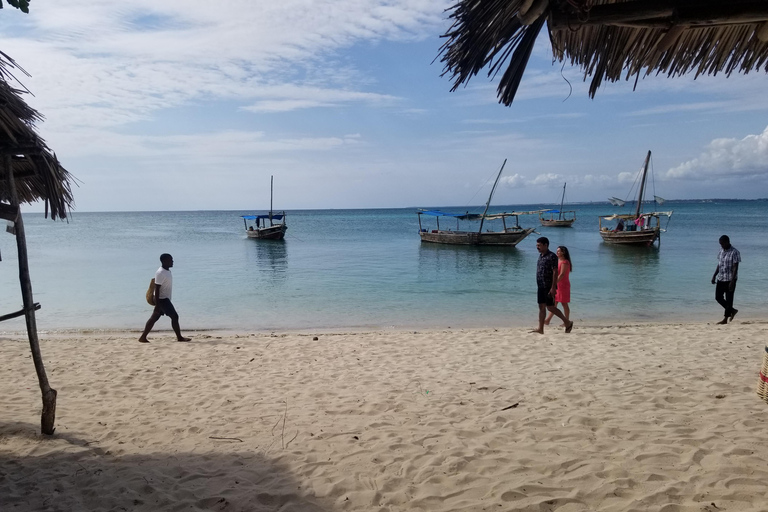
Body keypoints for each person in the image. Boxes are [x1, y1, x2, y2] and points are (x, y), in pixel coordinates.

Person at [139, 253, 191, 343]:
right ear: (164, 261)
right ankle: (179, 337)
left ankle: (143, 337)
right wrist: (158, 305)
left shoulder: (167, 271)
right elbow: (157, 288)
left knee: (154, 318)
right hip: (162, 299)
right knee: (174, 316)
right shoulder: (160, 273)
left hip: (163, 299)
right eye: (170, 260)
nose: (172, 261)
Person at [532, 237, 573, 334]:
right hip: (540, 286)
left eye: (539, 245)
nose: (537, 247)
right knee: (541, 306)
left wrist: (553, 287)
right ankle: (540, 329)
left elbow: (555, 272)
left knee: (550, 307)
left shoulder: (552, 256)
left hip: (548, 286)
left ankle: (567, 322)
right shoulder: (541, 256)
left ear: (545, 245)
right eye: (537, 245)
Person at [711, 235, 740, 325]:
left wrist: (732, 281)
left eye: (723, 244)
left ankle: (725, 319)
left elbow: (735, 268)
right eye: (720, 244)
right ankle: (732, 310)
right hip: (721, 278)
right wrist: (714, 275)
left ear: (727, 242)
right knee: (718, 297)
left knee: (729, 299)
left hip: (730, 279)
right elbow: (719, 264)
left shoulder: (735, 252)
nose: (721, 246)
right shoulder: (721, 251)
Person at [545, 246, 572, 326]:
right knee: (554, 303)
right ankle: (547, 320)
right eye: (557, 251)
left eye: (559, 251)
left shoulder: (565, 262)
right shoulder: (558, 261)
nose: (557, 252)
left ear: (563, 252)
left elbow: (562, 274)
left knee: (564, 304)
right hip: (557, 284)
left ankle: (566, 321)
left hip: (563, 285)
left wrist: (554, 283)